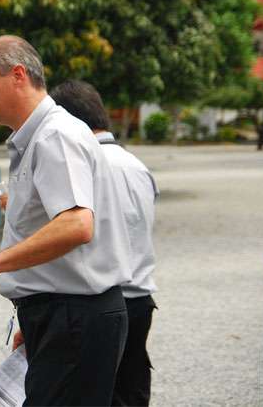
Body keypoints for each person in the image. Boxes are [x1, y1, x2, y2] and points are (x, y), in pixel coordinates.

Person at [0, 35, 132, 406]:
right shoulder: (39, 136)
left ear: (18, 75)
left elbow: (76, 225)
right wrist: (33, 310)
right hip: (61, 314)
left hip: (74, 317)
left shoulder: (54, 135)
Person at [49, 79, 159, 407]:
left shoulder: (86, 165)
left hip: (103, 301)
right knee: (131, 391)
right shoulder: (136, 165)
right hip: (141, 297)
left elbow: (76, 233)